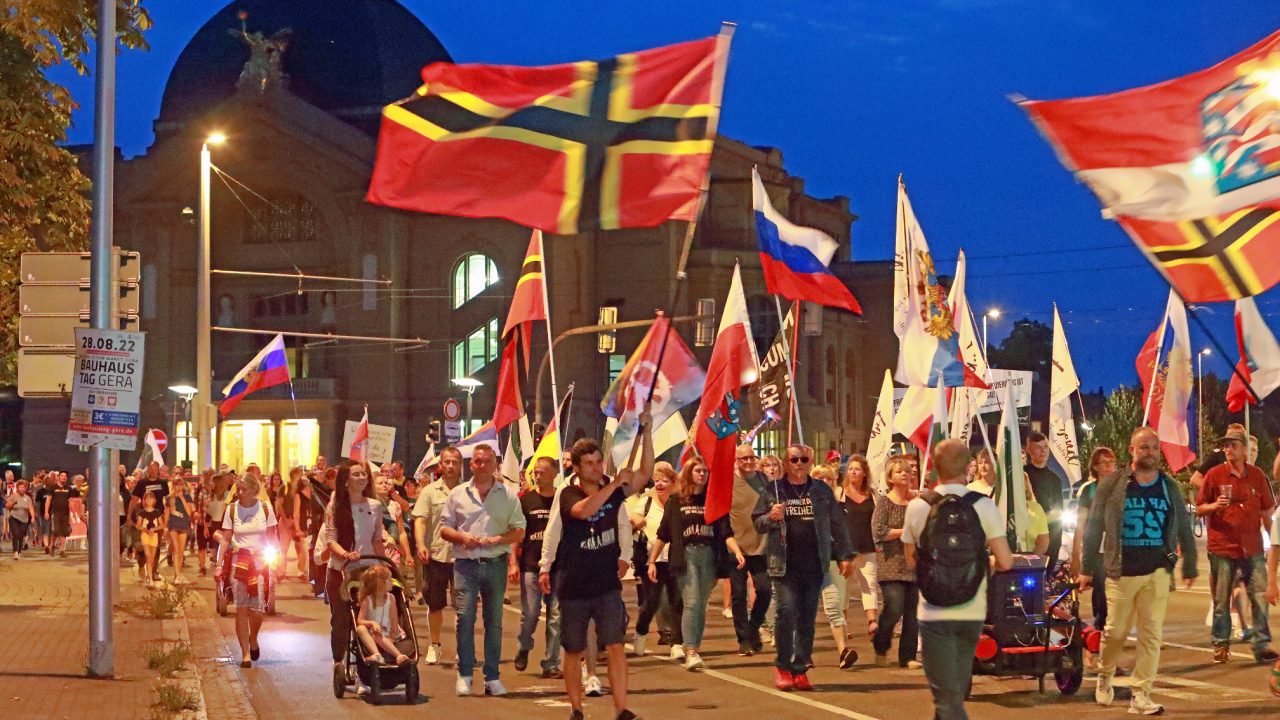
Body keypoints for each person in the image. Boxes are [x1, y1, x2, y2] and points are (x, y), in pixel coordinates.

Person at [1080, 427, 1198, 716]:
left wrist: (1190, 563)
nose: (1150, 453)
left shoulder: (1169, 486)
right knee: (1115, 633)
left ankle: (1141, 694)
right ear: (1132, 450)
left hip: (1157, 570)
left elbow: (1183, 525)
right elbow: (1094, 526)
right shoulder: (1113, 484)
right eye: (1144, 447)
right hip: (1121, 571)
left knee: (1150, 634)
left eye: (1155, 448)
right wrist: (1085, 568)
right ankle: (1105, 672)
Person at [541, 430, 651, 720]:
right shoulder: (568, 493)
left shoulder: (612, 489)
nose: (596, 467)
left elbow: (645, 472)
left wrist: (647, 433)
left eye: (599, 461)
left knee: (615, 645)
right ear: (576, 468)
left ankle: (621, 708)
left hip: (606, 584)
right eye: (589, 463)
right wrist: (615, 483)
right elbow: (583, 511)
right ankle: (576, 708)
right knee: (574, 649)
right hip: (574, 585)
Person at [901, 439, 1013, 720]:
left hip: (933, 612)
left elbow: (910, 558)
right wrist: (979, 561)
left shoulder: (918, 506)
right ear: (968, 467)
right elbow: (1006, 561)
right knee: (952, 695)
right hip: (972, 611)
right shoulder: (983, 506)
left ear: (935, 468)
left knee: (947, 699)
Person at [753, 443, 855, 691]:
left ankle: (800, 668)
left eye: (803, 460)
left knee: (807, 619)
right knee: (786, 613)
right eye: (793, 460)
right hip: (784, 564)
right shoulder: (773, 490)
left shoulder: (820, 490)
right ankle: (783, 666)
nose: (798, 464)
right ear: (785, 464)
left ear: (810, 462)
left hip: (814, 563)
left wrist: (844, 555)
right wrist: (771, 517)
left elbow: (837, 523)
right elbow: (757, 523)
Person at [439, 444, 526, 697]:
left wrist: (498, 540)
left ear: (495, 464)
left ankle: (492, 677)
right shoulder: (457, 494)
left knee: (494, 622)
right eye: (477, 461)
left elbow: (519, 530)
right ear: (471, 465)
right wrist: (462, 538)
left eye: (487, 461)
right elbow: (444, 528)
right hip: (465, 564)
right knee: (465, 619)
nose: (482, 465)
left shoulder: (507, 495)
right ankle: (465, 674)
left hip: (495, 563)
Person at [647, 458, 745, 671]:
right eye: (698, 471)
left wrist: (737, 551)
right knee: (691, 602)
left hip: (708, 555)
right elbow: (663, 533)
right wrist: (652, 560)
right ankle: (690, 650)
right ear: (689, 473)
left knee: (700, 605)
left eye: (705, 471)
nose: (702, 474)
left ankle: (695, 647)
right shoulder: (676, 501)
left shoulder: (713, 502)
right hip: (685, 555)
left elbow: (725, 532)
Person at [1195, 426, 1277, 664]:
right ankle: (1220, 644)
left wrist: (1275, 542)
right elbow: (1200, 507)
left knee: (1260, 596)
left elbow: (1266, 510)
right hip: (1222, 546)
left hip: (1251, 546)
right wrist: (1213, 507)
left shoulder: (1257, 475)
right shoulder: (1215, 475)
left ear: (1243, 449)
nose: (1228, 449)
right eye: (1226, 445)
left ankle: (1261, 644)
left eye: (1233, 445)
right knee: (1222, 599)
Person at [322, 460, 384, 692]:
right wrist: (346, 554)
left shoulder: (375, 506)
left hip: (366, 571)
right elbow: (331, 539)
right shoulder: (335, 506)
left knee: (364, 621)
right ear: (346, 481)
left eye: (364, 474)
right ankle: (339, 662)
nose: (362, 478)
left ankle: (362, 673)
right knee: (341, 620)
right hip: (341, 570)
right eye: (356, 474)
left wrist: (383, 565)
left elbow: (377, 539)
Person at [214, 473, 279, 667]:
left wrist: (277, 560)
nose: (240, 493)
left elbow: (272, 537)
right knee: (241, 607)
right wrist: (219, 566)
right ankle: (245, 654)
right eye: (238, 489)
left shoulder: (266, 509)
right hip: (238, 562)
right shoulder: (232, 510)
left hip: (259, 562)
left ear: (254, 491)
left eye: (244, 489)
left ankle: (253, 639)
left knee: (257, 609)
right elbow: (225, 539)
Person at [412, 445, 464, 665]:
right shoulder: (430, 491)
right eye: (447, 462)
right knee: (435, 604)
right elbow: (420, 519)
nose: (451, 466)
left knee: (463, 606)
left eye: (455, 462)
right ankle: (435, 645)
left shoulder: (469, 491)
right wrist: (420, 544)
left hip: (463, 556)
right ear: (440, 465)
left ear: (461, 465)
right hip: (436, 555)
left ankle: (464, 648)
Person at [514, 456, 563, 678]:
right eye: (536, 472)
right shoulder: (526, 500)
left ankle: (551, 663)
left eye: (543, 471)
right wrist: (513, 563)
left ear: (555, 473)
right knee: (531, 614)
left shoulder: (563, 499)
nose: (538, 475)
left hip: (558, 567)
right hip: (531, 566)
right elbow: (517, 533)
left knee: (556, 616)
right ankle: (524, 646)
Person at [871, 455, 921, 670]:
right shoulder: (885, 502)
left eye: (907, 470)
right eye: (899, 471)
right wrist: (905, 532)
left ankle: (907, 656)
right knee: (895, 606)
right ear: (890, 478)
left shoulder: (918, 502)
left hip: (915, 563)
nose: (905, 474)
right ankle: (881, 642)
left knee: (913, 612)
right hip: (891, 563)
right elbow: (878, 531)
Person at [629, 461, 680, 657]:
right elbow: (634, 518)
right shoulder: (647, 502)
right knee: (652, 602)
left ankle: (677, 643)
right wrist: (635, 521)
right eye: (656, 480)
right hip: (652, 559)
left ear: (673, 482)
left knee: (677, 600)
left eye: (664, 481)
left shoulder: (678, 502)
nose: (659, 484)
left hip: (675, 558)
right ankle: (641, 633)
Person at [1071, 446, 1118, 651]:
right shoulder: (1089, 490)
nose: (1109, 467)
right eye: (1104, 463)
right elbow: (1081, 523)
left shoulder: (1122, 487)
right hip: (1097, 548)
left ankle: (1110, 637)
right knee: (1102, 594)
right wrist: (1076, 553)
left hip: (1117, 548)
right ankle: (1098, 635)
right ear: (1095, 467)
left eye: (1111, 462)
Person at [812, 463, 858, 668]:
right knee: (805, 610)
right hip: (808, 564)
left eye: (829, 479)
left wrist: (845, 557)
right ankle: (802, 652)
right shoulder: (804, 505)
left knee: (834, 606)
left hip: (831, 562)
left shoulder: (837, 507)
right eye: (820, 479)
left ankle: (843, 651)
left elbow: (842, 535)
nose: (825, 483)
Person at [833, 454, 879, 663]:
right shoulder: (840, 493)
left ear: (864, 473)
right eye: (850, 469)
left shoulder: (873, 495)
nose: (853, 472)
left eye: (857, 469)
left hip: (868, 547)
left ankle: (872, 622)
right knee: (845, 589)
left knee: (868, 586)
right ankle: (843, 625)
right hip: (847, 551)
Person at [729, 444, 772, 657]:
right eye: (743, 458)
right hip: (736, 547)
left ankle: (753, 627)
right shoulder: (729, 482)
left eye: (750, 457)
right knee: (738, 595)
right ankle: (744, 639)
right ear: (736, 460)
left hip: (761, 546)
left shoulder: (764, 481)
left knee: (765, 591)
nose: (748, 461)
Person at [354, 563, 411, 666]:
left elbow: (394, 619)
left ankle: (399, 655)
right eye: (389, 580)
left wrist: (393, 635)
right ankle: (377, 654)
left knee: (377, 635)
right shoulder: (367, 600)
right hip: (373, 631)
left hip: (389, 631)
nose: (392, 582)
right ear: (380, 584)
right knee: (360, 629)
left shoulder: (391, 598)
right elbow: (360, 620)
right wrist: (371, 623)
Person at [1024, 432, 1067, 565]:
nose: (1043, 451)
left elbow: (1058, 514)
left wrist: (1055, 544)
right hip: (1027, 541)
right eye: (1038, 447)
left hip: (1050, 541)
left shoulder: (1055, 480)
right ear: (1029, 450)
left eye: (1046, 447)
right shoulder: (1022, 475)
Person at [165, 475, 195, 584]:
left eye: (181, 484)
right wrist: (165, 527)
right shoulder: (169, 498)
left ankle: (177, 574)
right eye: (177, 484)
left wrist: (182, 498)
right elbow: (167, 513)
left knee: (181, 551)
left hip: (183, 526)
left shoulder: (187, 497)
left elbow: (189, 512)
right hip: (173, 525)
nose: (179, 487)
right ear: (173, 485)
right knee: (176, 550)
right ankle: (177, 575)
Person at [44, 471, 79, 557]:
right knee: (56, 531)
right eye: (62, 476)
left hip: (65, 514)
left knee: (64, 532)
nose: (63, 477)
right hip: (55, 513)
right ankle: (52, 545)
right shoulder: (53, 488)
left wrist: (74, 512)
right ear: (59, 477)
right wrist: (46, 512)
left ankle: (62, 550)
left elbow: (70, 501)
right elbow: (48, 500)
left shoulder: (69, 488)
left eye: (65, 476)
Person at [135, 491, 164, 585]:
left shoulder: (157, 512)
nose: (149, 500)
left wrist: (154, 529)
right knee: (148, 555)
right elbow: (138, 525)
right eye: (147, 498)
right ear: (144, 500)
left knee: (152, 557)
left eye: (151, 498)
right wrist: (146, 530)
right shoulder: (142, 513)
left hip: (154, 536)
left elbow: (162, 525)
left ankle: (149, 575)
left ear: (154, 500)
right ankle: (150, 579)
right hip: (145, 536)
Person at [5, 481, 34, 560]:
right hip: (14, 517)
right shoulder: (13, 496)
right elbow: (7, 506)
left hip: (24, 519)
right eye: (20, 487)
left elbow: (30, 507)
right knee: (15, 534)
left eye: (23, 487)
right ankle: (15, 552)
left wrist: (33, 517)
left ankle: (19, 551)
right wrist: (13, 503)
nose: (22, 489)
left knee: (21, 535)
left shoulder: (27, 498)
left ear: (25, 488)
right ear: (17, 488)